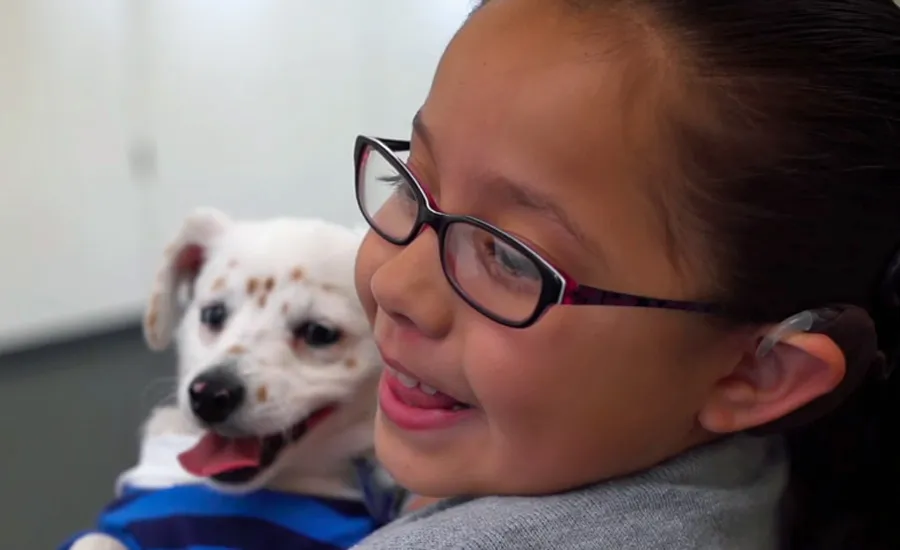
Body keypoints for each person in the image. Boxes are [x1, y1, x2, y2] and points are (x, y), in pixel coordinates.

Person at [350, 0, 900, 548]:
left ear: (756, 371)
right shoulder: (762, 466)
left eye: (512, 257)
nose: (395, 286)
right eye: (410, 184)